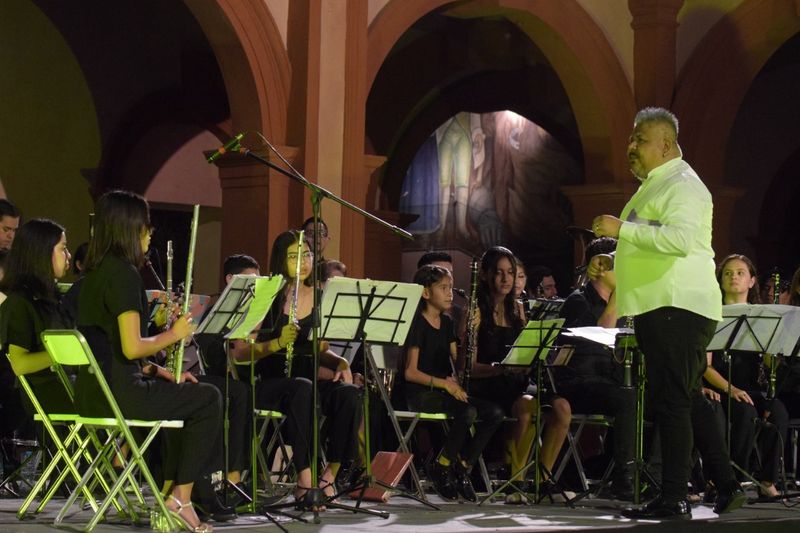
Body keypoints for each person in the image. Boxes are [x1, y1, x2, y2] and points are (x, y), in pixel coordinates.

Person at [592, 107, 743, 519]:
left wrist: (620, 230)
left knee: (672, 402)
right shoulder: (655, 186)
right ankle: (727, 485)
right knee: (687, 397)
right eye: (631, 140)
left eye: (639, 140)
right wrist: (615, 264)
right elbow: (653, 244)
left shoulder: (683, 185)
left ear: (666, 144)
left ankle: (674, 497)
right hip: (663, 306)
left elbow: (677, 240)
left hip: (678, 306)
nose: (631, 147)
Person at [75, 190, 221, 533]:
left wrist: (162, 371)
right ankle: (180, 499)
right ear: (130, 229)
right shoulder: (123, 275)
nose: (149, 234)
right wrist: (175, 333)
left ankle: (174, 491)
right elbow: (130, 347)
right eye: (146, 227)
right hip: (123, 394)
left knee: (188, 395)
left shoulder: (93, 276)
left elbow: (108, 347)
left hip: (93, 393)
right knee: (209, 399)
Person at [237, 230, 360, 509]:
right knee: (302, 388)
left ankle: (329, 477)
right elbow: (242, 352)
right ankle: (305, 482)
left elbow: (320, 349)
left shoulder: (321, 296)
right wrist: (276, 343)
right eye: (294, 256)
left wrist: (341, 362)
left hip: (307, 380)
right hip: (272, 383)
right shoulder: (267, 295)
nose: (303, 261)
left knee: (349, 394)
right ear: (281, 260)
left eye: (307, 254)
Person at [465, 246, 571, 503]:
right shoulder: (476, 312)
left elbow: (526, 355)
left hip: (516, 382)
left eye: (510, 272)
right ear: (486, 276)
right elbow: (467, 369)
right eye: (499, 272)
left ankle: (543, 479)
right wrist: (501, 368)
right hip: (488, 384)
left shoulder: (518, 311)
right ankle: (517, 482)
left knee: (562, 408)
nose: (505, 279)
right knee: (527, 406)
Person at [404, 264, 504, 502]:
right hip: (420, 392)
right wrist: (445, 384)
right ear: (426, 292)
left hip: (444, 390)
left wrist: (469, 330)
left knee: (495, 412)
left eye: (450, 287)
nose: (450, 293)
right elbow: (410, 372)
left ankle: (460, 465)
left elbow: (459, 364)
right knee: (467, 412)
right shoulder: (417, 323)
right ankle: (442, 465)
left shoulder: (447, 322)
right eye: (443, 288)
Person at [555, 237, 636, 500]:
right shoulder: (578, 301)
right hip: (577, 382)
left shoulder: (621, 302)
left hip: (607, 381)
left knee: (654, 398)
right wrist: (620, 295)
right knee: (627, 399)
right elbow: (600, 333)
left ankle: (646, 474)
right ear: (600, 266)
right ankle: (624, 478)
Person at [703, 254, 788, 499]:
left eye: (740, 273)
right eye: (728, 273)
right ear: (720, 280)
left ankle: (767, 480)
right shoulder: (712, 314)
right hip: (721, 386)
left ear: (752, 281)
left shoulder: (762, 316)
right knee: (745, 412)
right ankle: (728, 479)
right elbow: (705, 366)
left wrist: (774, 347)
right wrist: (730, 389)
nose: (734, 277)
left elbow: (769, 363)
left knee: (779, 411)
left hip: (750, 389)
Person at [0, 220, 74, 481]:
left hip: (67, 384)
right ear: (42, 252)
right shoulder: (20, 302)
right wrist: (66, 352)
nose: (69, 256)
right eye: (63, 249)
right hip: (49, 394)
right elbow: (19, 364)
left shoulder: (56, 299)